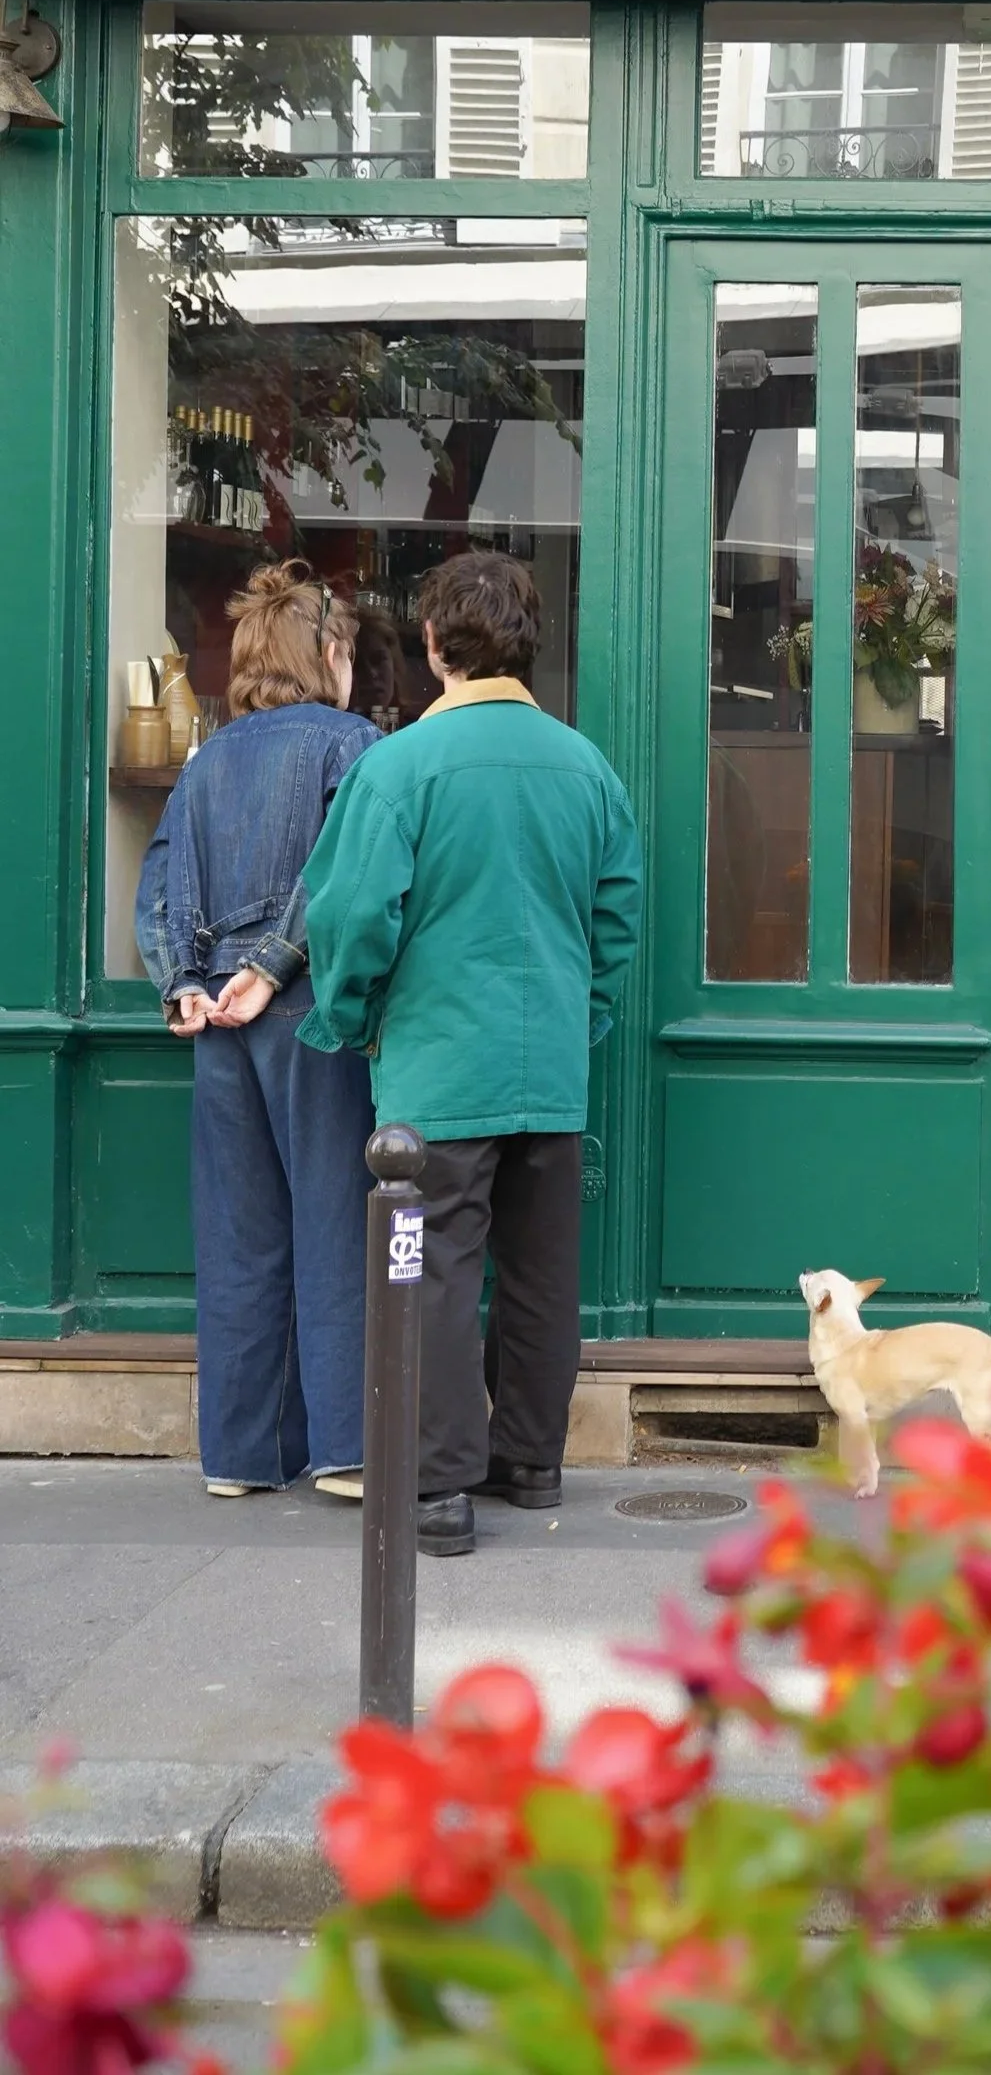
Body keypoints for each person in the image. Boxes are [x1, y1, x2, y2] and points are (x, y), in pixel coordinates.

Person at [298, 550, 642, 1557]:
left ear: (436, 645)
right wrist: (583, 1018)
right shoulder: (586, 767)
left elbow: (354, 915)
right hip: (548, 1072)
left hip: (436, 1072)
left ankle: (437, 1489)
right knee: (540, 1272)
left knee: (430, 1270)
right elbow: (614, 922)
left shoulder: (397, 766)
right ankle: (531, 1462)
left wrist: (355, 1015)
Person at [136, 562, 378, 1500]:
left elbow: (157, 885)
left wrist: (184, 987)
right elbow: (340, 875)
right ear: (328, 653)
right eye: (347, 649)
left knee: (240, 1238)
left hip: (218, 1024)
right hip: (306, 1014)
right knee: (333, 1225)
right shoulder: (349, 742)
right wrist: (272, 965)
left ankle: (240, 1457)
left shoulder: (205, 759)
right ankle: (346, 1450)